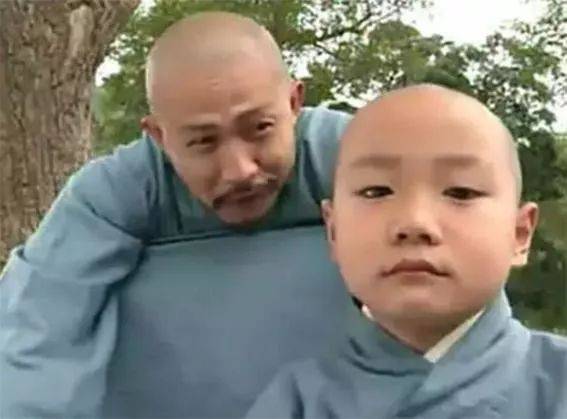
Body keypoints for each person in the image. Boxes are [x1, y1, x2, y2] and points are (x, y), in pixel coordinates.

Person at [0, 12, 356, 418]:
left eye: (259, 128)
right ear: (158, 136)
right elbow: (37, 328)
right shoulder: (111, 195)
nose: (239, 170)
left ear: (294, 104)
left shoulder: (357, 156)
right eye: (204, 142)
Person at [246, 84, 567, 418]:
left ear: (519, 234)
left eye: (460, 192)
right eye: (376, 191)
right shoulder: (297, 401)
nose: (414, 222)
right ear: (334, 232)